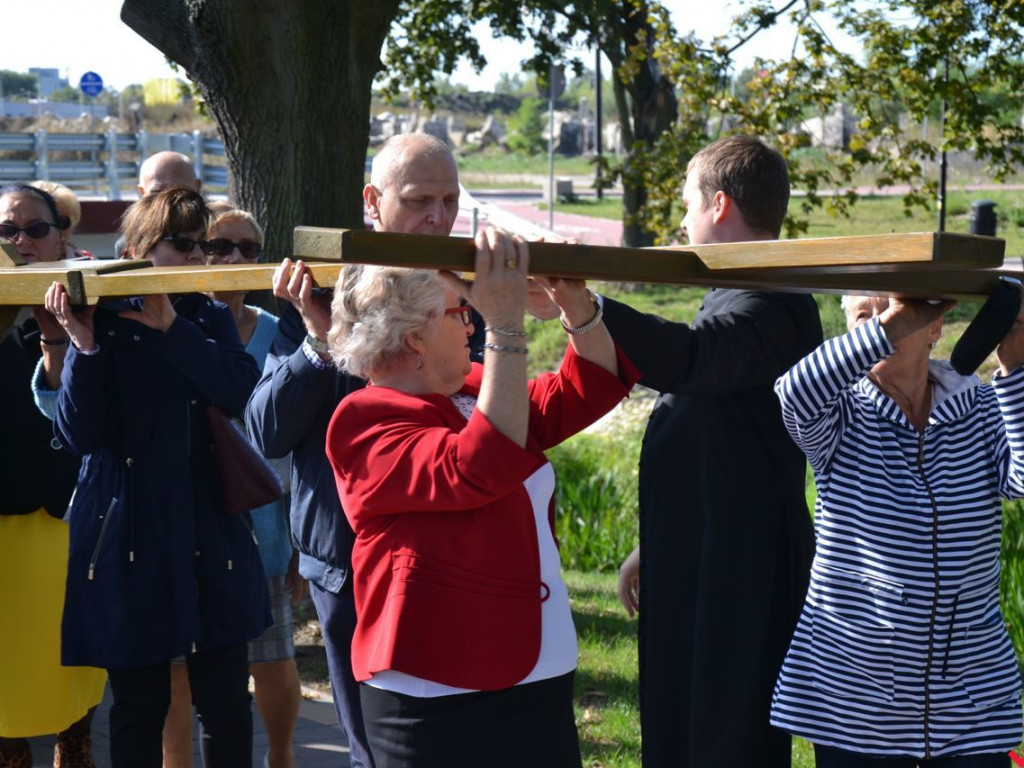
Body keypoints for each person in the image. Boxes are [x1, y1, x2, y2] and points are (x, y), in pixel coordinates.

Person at [324, 227, 638, 768]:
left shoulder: (473, 388)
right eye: (460, 311)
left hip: (537, 670)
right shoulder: (362, 419)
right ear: (416, 335)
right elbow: (477, 467)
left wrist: (573, 301)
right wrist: (504, 325)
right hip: (436, 691)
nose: (470, 324)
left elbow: (590, 386)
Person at [244, 132, 464, 768]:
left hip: (449, 554)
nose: (438, 218)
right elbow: (265, 430)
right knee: (372, 747)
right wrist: (322, 341)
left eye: (450, 200)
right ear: (373, 200)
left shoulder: (468, 285)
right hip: (348, 564)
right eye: (419, 200)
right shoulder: (321, 286)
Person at [605, 135, 823, 767]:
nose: (682, 221)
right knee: (680, 715)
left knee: (728, 733)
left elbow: (696, 360)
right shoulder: (740, 290)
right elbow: (709, 428)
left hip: (742, 563)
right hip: (700, 545)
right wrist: (656, 543)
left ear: (719, 204)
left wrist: (589, 307)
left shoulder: (774, 300)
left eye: (687, 204)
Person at [44, 186, 270, 768]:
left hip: (207, 528)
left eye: (202, 245)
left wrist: (174, 328)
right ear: (139, 248)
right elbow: (78, 436)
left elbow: (240, 392)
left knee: (225, 700)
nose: (197, 256)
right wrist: (84, 348)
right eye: (182, 243)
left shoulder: (208, 314)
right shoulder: (101, 316)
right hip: (125, 531)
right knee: (138, 704)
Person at [770, 292, 1024, 766]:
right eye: (863, 318)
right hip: (855, 698)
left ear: (935, 327)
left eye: (892, 309)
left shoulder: (980, 408)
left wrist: (1016, 368)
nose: (880, 323)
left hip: (971, 694)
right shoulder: (841, 416)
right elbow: (793, 393)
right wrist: (892, 324)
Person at [161, 205, 302, 768]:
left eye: (248, 248)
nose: (234, 258)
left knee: (272, 659)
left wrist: (299, 541)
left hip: (263, 524)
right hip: (186, 523)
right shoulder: (171, 324)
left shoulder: (274, 333)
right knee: (175, 670)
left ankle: (283, 757)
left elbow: (296, 438)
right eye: (220, 246)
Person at [0, 183, 106, 768]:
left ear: (61, 236)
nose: (21, 241)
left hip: (67, 524)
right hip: (4, 526)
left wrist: (58, 338)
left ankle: (76, 749)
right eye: (7, 231)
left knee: (73, 680)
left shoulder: (89, 307)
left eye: (36, 229)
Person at [29, 180, 94, 259]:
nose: (54, 230)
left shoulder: (86, 261)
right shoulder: (16, 262)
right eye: (39, 226)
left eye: (61, 222)